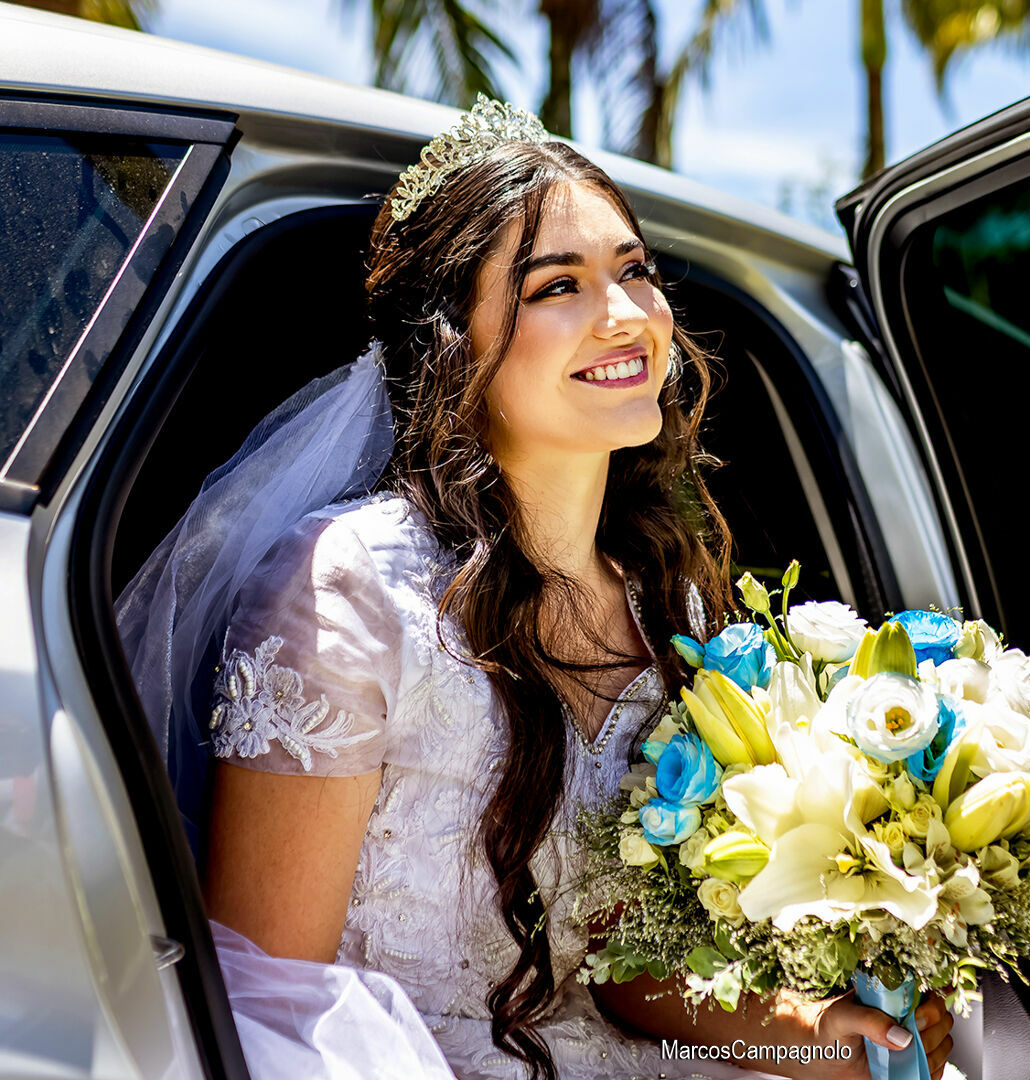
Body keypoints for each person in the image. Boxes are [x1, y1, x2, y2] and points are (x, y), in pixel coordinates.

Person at [136, 96, 954, 1079]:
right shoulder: (349, 593)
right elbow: (266, 1000)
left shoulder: (677, 611)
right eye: (558, 285)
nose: (624, 316)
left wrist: (799, 1035)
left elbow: (617, 968)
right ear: (457, 345)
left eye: (634, 271)